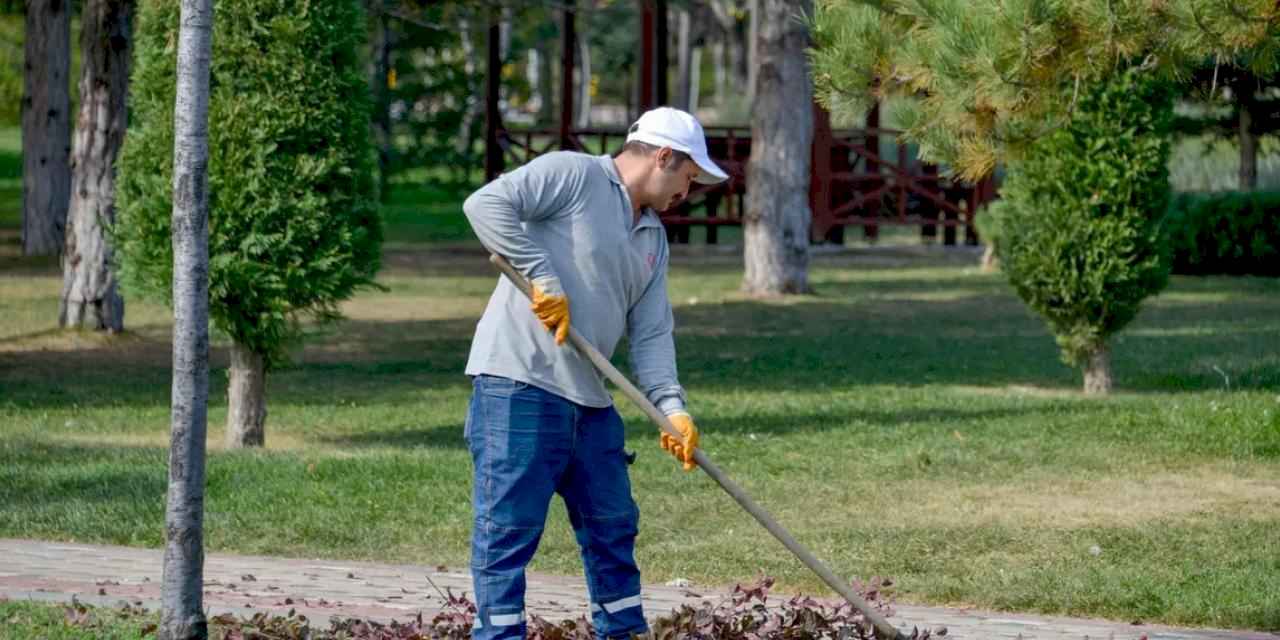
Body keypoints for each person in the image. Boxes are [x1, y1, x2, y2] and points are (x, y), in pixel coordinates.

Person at [460, 106, 729, 640]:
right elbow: (484, 203)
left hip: (590, 401)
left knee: (612, 525)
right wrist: (540, 276)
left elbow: (651, 335)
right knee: (508, 530)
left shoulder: (653, 237)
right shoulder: (574, 174)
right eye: (687, 176)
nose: (688, 190)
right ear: (663, 156)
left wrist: (672, 410)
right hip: (520, 384)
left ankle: (622, 631)